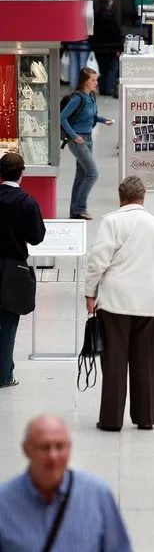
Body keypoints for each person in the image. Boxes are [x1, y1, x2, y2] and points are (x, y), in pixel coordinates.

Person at [85, 176, 154, 432]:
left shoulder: (111, 222)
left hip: (116, 301)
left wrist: (90, 293)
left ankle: (111, 420)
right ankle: (146, 417)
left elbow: (97, 260)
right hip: (152, 301)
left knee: (113, 362)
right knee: (148, 362)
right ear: (144, 196)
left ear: (119, 196)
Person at [0, 415, 138, 552]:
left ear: (69, 448)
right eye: (44, 448)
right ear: (26, 449)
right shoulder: (4, 503)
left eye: (59, 447)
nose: (53, 456)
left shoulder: (97, 495)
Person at [0, 152, 45, 388]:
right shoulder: (27, 202)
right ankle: (4, 374)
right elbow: (37, 237)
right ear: (22, 173)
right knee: (8, 323)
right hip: (13, 269)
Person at [60, 67, 113, 220]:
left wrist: (104, 120)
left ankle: (74, 211)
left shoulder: (91, 97)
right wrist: (74, 136)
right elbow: (62, 118)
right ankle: (80, 208)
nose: (96, 83)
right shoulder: (77, 98)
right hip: (78, 140)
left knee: (81, 175)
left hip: (88, 138)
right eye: (93, 80)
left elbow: (93, 116)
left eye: (96, 80)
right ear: (85, 81)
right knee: (92, 173)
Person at [92, 0, 122, 96]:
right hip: (110, 48)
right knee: (111, 68)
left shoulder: (95, 15)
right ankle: (108, 89)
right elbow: (115, 33)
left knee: (102, 69)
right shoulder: (111, 16)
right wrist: (119, 47)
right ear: (109, 4)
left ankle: (103, 89)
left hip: (98, 48)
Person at [67, 0, 90, 91]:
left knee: (73, 64)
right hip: (84, 39)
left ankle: (73, 89)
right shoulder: (86, 10)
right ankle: (82, 89)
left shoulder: (70, 10)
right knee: (82, 65)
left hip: (72, 39)